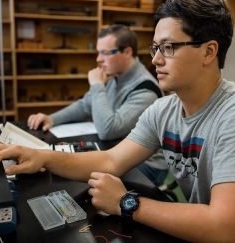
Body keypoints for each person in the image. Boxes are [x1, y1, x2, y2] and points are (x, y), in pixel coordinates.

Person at [0, 0, 235, 242]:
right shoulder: (165, 109)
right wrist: (41, 156)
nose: (157, 60)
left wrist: (126, 203)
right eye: (155, 48)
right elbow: (111, 160)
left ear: (209, 51)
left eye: (169, 47)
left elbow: (224, 229)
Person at [27, 24, 169, 186]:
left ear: (127, 52)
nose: (98, 59)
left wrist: (97, 86)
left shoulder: (146, 90)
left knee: (79, 180)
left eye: (105, 53)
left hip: (148, 166)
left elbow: (108, 130)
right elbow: (85, 104)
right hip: (117, 151)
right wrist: (51, 119)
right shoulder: (114, 74)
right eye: (98, 52)